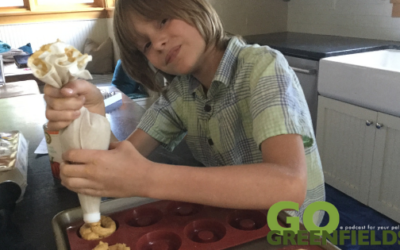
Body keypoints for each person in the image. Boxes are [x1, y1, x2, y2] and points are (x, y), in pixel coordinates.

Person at [44, 0, 325, 226]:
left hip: (294, 229)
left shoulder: (263, 67)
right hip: (238, 218)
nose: (157, 43)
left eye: (163, 20)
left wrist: (149, 178)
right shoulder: (180, 92)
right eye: (145, 45)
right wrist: (94, 113)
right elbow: (118, 163)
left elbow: (289, 185)